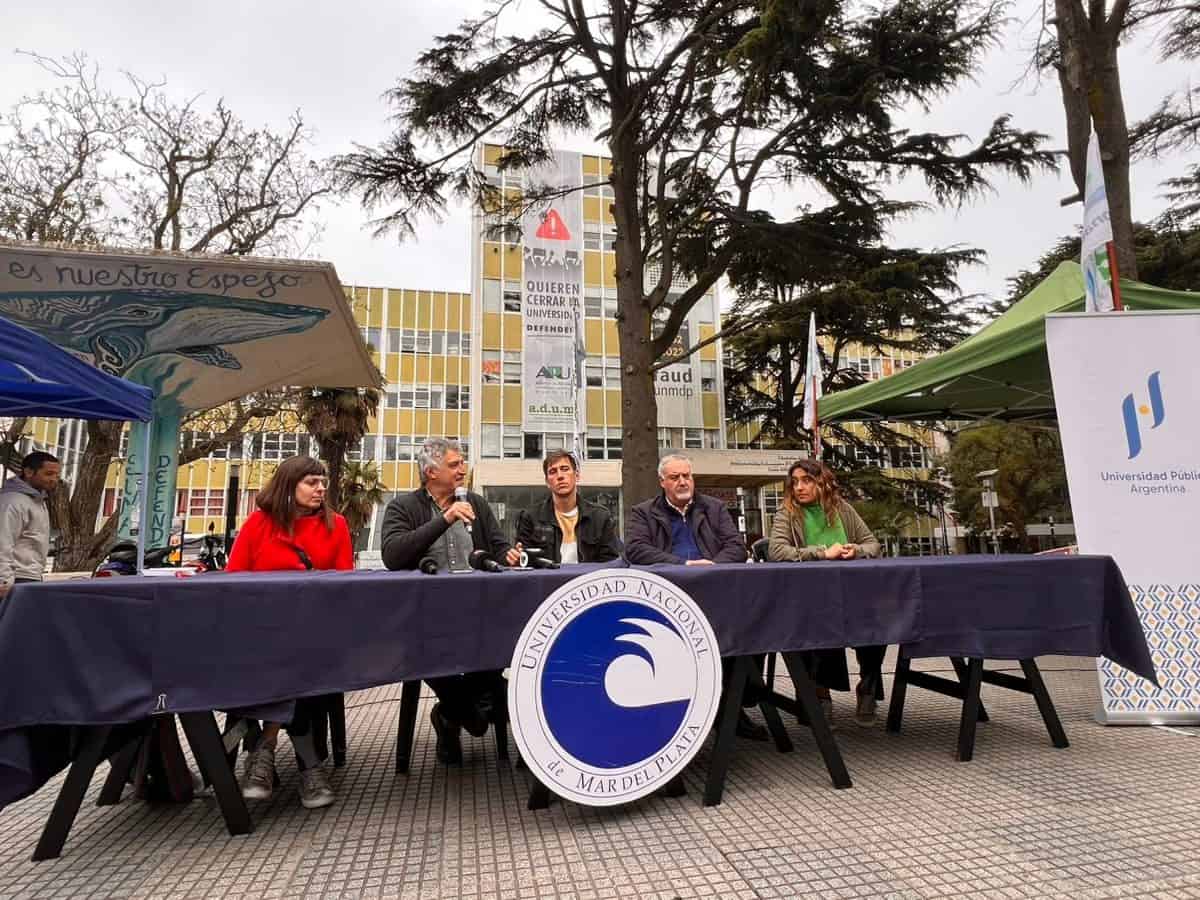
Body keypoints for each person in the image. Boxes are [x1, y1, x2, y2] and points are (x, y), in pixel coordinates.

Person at [379, 437, 520, 766]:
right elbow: (393, 555)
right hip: (425, 622)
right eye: (455, 464)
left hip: (478, 616)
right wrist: (445, 518)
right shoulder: (403, 507)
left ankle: (448, 715)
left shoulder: (476, 503)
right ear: (431, 472)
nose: (462, 469)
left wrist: (509, 555)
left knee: (500, 645)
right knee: (431, 659)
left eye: (462, 463)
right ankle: (466, 712)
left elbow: (498, 546)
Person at [227, 455, 352, 808]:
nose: (321, 488)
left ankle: (264, 750)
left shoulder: (337, 525)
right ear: (287, 486)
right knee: (283, 659)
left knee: (300, 657)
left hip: (315, 633)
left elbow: (345, 586)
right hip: (261, 632)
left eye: (323, 482)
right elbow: (234, 583)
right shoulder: (258, 524)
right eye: (311, 482)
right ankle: (309, 768)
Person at [625, 454, 767, 740]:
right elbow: (636, 549)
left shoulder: (714, 508)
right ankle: (688, 712)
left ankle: (732, 707)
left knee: (752, 625)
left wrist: (711, 567)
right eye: (675, 477)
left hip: (715, 591)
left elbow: (736, 547)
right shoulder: (644, 512)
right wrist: (684, 565)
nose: (682, 481)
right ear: (662, 482)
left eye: (687, 476)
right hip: (669, 597)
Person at [768, 458, 884, 726]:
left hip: (851, 592)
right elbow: (777, 551)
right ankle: (820, 695)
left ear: (823, 483)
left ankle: (868, 688)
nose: (799, 487)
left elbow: (872, 544)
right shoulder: (787, 512)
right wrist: (822, 553)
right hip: (809, 596)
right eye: (794, 482)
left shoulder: (842, 508)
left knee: (880, 623)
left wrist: (856, 550)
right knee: (820, 623)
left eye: (806, 481)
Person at [514, 450, 621, 564]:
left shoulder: (600, 517)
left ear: (577, 476)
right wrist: (517, 558)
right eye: (553, 472)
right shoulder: (530, 518)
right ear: (547, 482)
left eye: (565, 469)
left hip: (588, 576)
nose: (560, 476)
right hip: (548, 576)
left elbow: (610, 563)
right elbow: (525, 563)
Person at [0, 451, 60, 597]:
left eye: (57, 475)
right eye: (48, 474)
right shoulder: (12, 501)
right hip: (14, 579)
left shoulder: (38, 500)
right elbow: (3, 542)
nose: (54, 479)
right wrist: (4, 581)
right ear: (28, 472)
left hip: (30, 577)